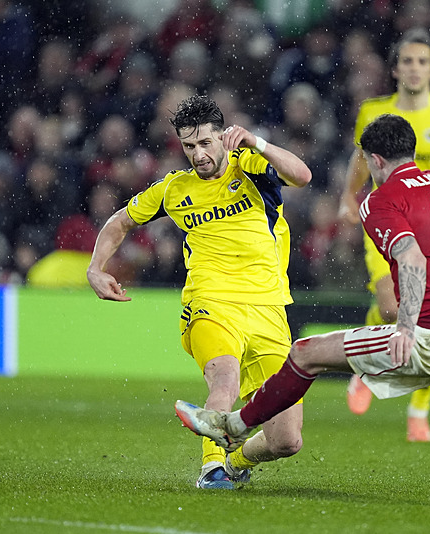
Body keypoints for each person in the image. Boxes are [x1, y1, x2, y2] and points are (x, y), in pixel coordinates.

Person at [175, 113, 430, 505]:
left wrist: (406, 327)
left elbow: (410, 257)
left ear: (374, 159)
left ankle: (234, 426)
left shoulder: (378, 201)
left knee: (305, 353)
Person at [87, 95, 312, 489]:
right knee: (225, 382)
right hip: (210, 302)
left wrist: (257, 142)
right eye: (189, 146)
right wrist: (95, 268)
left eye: (205, 143)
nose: (198, 154)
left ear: (223, 137)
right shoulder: (175, 188)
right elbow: (120, 222)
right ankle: (211, 468)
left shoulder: (250, 166)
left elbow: (302, 176)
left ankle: (236, 462)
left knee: (286, 441)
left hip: (269, 309)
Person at [338, 28, 430, 442]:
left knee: (428, 314)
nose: (415, 68)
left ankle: (419, 409)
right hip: (387, 219)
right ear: (395, 69)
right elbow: (361, 159)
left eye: (423, 61)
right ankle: (364, 371)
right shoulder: (373, 110)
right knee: (392, 308)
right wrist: (348, 196)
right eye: (407, 61)